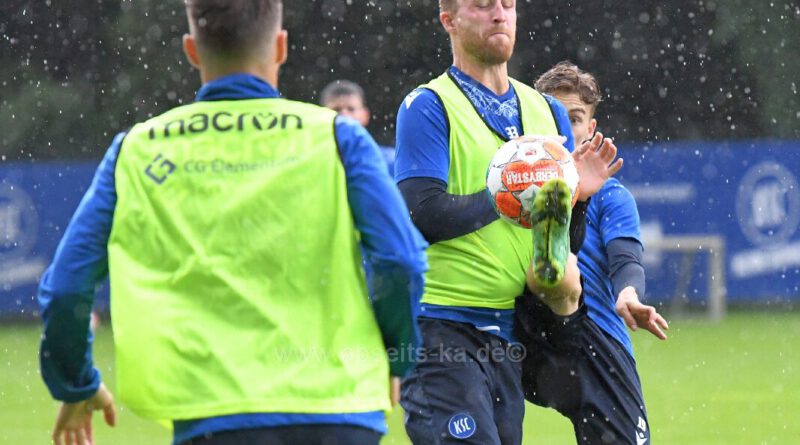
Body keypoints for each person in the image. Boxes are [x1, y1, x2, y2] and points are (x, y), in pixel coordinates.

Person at [37, 1, 428, 444]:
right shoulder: (338, 138)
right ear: (280, 47)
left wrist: (77, 382)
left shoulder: (137, 149)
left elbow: (67, 287)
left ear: (191, 50)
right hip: (339, 410)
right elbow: (401, 260)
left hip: (214, 417)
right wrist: (397, 357)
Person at [394, 1, 622, 444]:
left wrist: (576, 200)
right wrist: (508, 196)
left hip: (507, 332)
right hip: (440, 328)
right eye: (482, 5)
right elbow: (420, 214)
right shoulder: (427, 105)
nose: (499, 14)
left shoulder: (547, 111)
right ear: (449, 20)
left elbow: (564, 244)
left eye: (508, 4)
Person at [515, 61, 669, 445]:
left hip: (595, 343)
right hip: (526, 337)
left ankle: (558, 254)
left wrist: (628, 294)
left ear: (590, 129)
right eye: (551, 117)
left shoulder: (612, 196)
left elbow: (625, 259)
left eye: (574, 119)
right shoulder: (509, 187)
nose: (562, 130)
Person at [320, 80, 396, 172]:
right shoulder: (310, 159)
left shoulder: (392, 162)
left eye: (351, 109)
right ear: (321, 115)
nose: (344, 115)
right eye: (336, 109)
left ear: (365, 115)